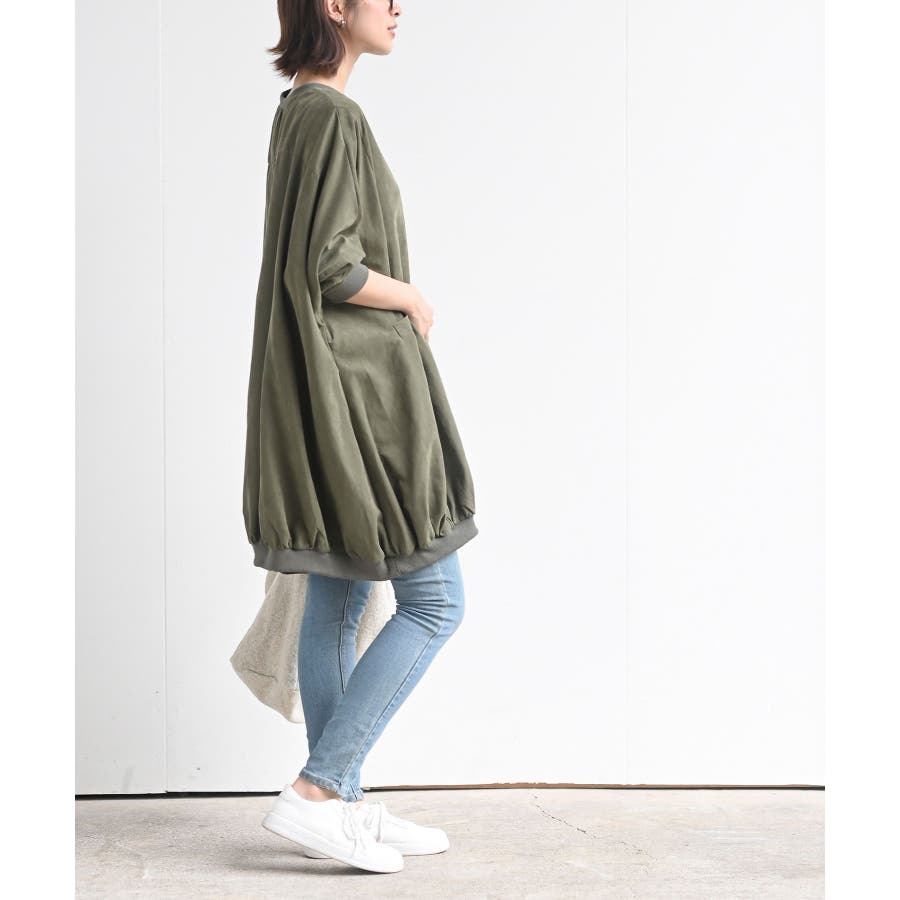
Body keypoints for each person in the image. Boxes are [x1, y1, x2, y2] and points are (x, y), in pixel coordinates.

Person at [244, 1, 479, 874]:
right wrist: (410, 296)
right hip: (363, 392)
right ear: (335, 7)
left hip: (330, 386)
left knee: (337, 597)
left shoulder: (299, 111)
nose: (399, 6)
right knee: (436, 600)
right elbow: (331, 268)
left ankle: (338, 801)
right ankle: (317, 789)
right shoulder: (332, 116)